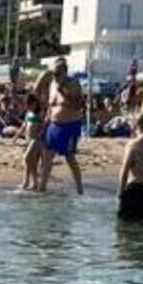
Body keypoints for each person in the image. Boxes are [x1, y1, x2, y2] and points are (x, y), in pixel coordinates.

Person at [35, 57, 85, 195]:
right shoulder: (52, 83)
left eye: (57, 73)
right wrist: (46, 122)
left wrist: (63, 91)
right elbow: (50, 105)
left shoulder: (73, 84)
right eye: (53, 73)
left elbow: (78, 106)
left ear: (65, 72)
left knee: (70, 157)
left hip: (70, 124)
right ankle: (41, 188)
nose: (55, 76)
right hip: (53, 124)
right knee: (47, 156)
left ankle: (80, 189)